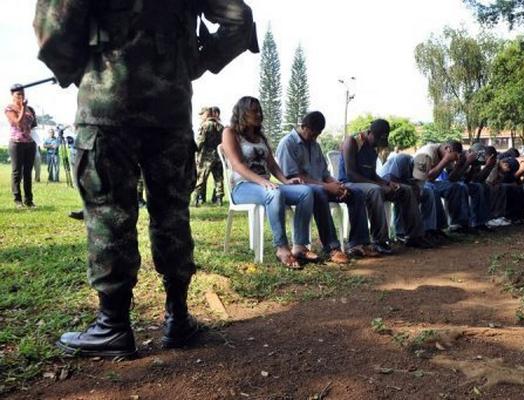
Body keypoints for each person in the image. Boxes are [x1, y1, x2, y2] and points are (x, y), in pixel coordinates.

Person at [35, 0, 259, 357]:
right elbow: (239, 17)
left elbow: (54, 26)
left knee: (110, 212)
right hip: (170, 108)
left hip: (107, 102)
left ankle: (112, 326)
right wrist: (193, 64)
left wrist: (82, 70)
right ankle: (179, 318)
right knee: (172, 212)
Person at [222, 97, 316, 269]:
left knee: (306, 192)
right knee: (274, 193)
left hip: (264, 186)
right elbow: (237, 164)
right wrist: (263, 182)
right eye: (254, 111)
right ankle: (281, 248)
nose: (259, 114)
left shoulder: (260, 137)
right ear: (242, 112)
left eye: (259, 110)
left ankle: (300, 246)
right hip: (242, 186)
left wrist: (286, 181)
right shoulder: (230, 133)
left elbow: (272, 165)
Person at [276, 111, 376, 263]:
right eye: (312, 133)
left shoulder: (315, 146)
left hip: (320, 185)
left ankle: (358, 243)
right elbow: (293, 178)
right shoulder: (287, 144)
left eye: (318, 134)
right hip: (299, 189)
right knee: (319, 192)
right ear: (303, 126)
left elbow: (324, 173)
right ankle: (332, 247)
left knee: (355, 192)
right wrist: (326, 186)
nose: (315, 137)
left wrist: (338, 185)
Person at [339, 119, 431, 252]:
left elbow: (373, 175)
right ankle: (379, 240)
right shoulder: (352, 142)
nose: (377, 145)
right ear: (369, 133)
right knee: (376, 190)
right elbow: (351, 174)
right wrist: (380, 185)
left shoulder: (374, 147)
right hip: (350, 184)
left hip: (369, 184)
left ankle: (414, 236)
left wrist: (387, 183)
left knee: (406, 190)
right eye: (376, 141)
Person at [379, 150, 443, 244]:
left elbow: (419, 187)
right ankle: (401, 233)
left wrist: (417, 193)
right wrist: (413, 192)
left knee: (428, 192)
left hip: (406, 185)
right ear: (413, 163)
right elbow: (392, 180)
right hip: (386, 182)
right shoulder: (402, 160)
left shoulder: (425, 166)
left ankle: (428, 230)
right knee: (405, 192)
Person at [413, 140, 471, 233]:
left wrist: (461, 164)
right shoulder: (427, 152)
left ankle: (458, 225)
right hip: (417, 182)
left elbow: (452, 179)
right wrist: (445, 160)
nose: (456, 159)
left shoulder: (448, 154)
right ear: (448, 149)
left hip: (431, 181)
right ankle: (435, 229)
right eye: (456, 156)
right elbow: (426, 177)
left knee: (458, 187)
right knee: (432, 189)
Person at [5, 84, 37, 208]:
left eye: (22, 94)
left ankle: (29, 200)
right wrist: (23, 108)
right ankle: (17, 200)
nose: (21, 96)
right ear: (12, 96)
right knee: (17, 172)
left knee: (28, 172)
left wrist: (26, 108)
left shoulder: (30, 109)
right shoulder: (9, 108)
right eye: (18, 94)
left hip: (30, 143)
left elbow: (33, 125)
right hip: (16, 143)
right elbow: (18, 123)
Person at [194, 106, 225, 206]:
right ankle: (219, 199)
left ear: (206, 114)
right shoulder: (221, 127)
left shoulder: (205, 126)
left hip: (206, 157)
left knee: (201, 178)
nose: (200, 117)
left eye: (201, 115)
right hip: (219, 156)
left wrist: (194, 151)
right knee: (219, 178)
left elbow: (200, 142)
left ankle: (196, 199)